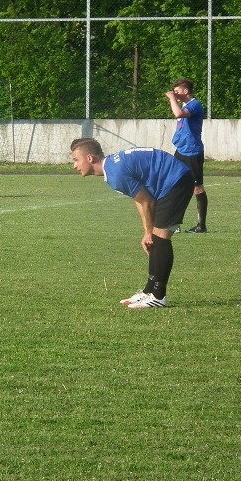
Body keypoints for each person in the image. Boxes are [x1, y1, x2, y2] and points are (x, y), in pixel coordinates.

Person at [70, 138, 194, 309]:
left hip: (176, 181)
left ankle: (159, 296)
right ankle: (149, 291)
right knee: (155, 240)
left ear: (90, 158)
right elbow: (140, 198)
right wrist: (146, 231)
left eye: (76, 160)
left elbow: (147, 202)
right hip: (172, 180)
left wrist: (149, 233)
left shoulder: (115, 174)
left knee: (160, 239)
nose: (74, 165)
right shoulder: (113, 168)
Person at [166, 77, 208, 233]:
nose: (175, 94)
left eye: (177, 91)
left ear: (186, 91)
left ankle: (201, 225)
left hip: (192, 152)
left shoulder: (194, 105)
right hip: (181, 150)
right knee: (174, 184)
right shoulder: (185, 105)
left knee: (197, 188)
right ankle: (173, 223)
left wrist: (171, 98)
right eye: (174, 91)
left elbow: (178, 114)